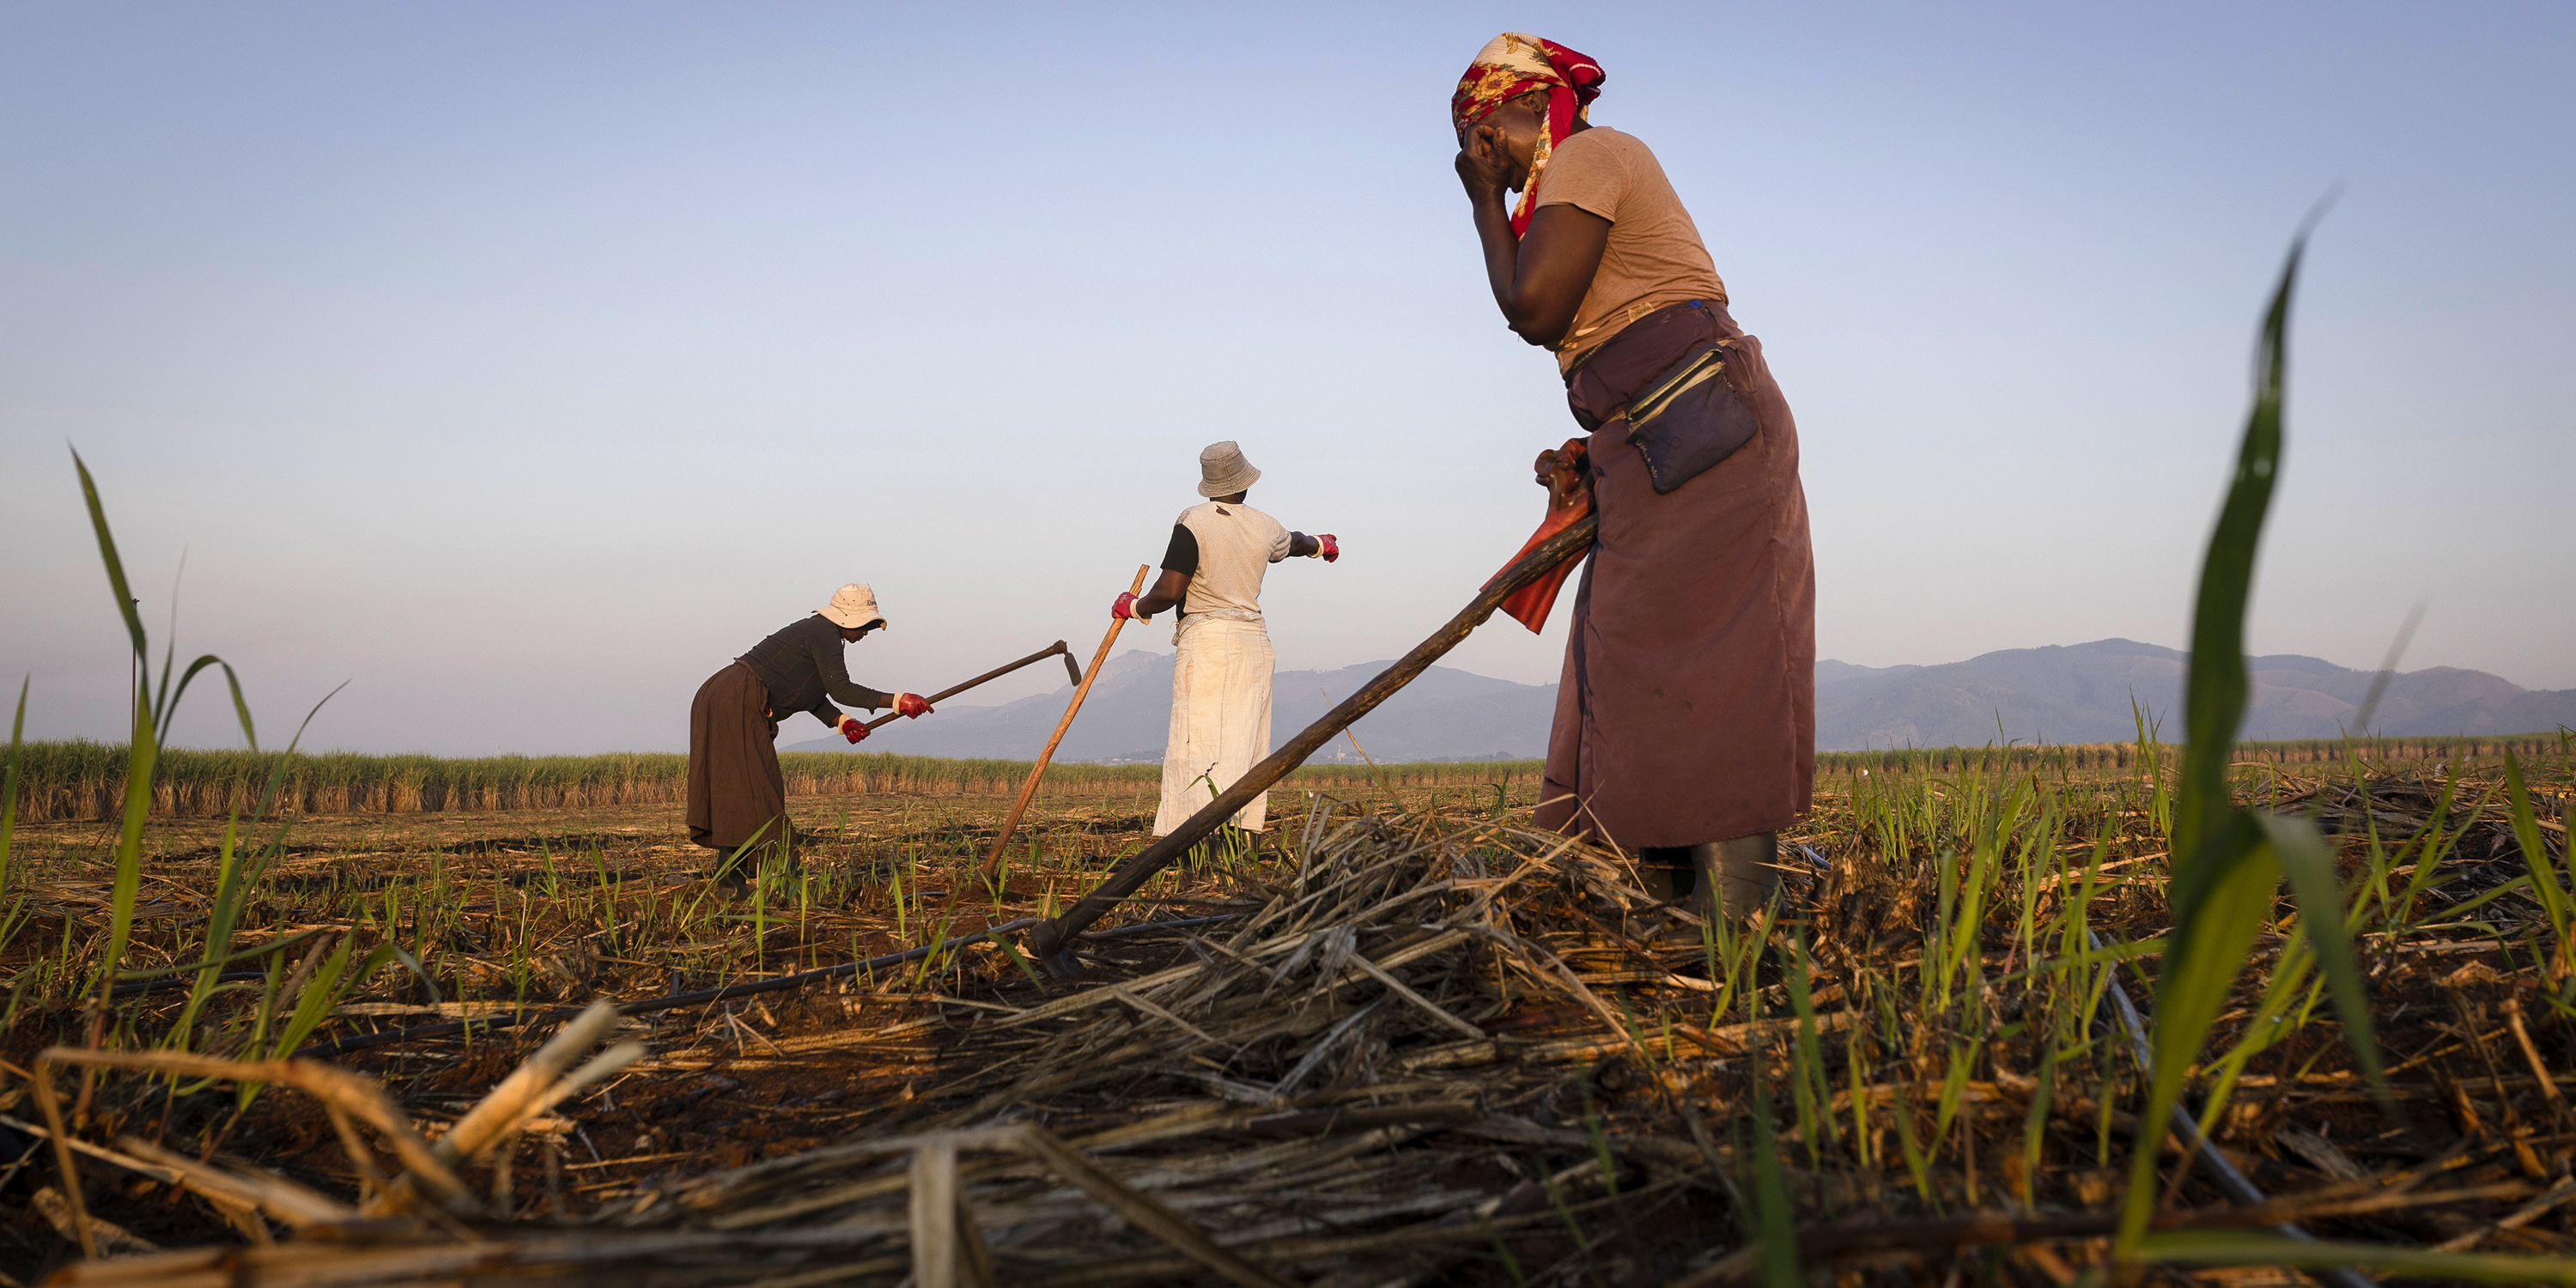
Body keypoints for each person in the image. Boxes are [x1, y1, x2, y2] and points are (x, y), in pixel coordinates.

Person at [1450, 33, 1815, 919]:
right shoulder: (1566, 185)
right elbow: (1589, 337)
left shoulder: (1592, 154)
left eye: (1482, 129)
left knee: (1712, 645)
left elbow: (1534, 312)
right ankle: (1654, 876)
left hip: (1704, 419)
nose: (1477, 150)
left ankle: (1737, 899)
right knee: (1622, 650)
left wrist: (1482, 205)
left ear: (1527, 108)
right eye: (1469, 140)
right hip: (1650, 429)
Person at [1111, 441, 1338, 839]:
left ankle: (1185, 844)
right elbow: (1298, 542)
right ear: (1245, 483)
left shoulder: (1193, 521)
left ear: (1208, 484)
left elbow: (1169, 591)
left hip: (1209, 640)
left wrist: (1133, 607)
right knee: (1245, 744)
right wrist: (1322, 544)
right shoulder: (1266, 525)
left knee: (1193, 742)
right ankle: (1240, 839)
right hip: (1253, 643)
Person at [687, 583, 935, 872]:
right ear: (847, 619)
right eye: (865, 624)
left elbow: (810, 692)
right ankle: (781, 876)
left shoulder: (818, 632)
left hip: (724, 694)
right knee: (760, 790)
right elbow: (841, 689)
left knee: (742, 791)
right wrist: (898, 701)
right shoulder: (824, 633)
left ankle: (732, 882)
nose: (866, 632)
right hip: (736, 698)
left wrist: (842, 721)